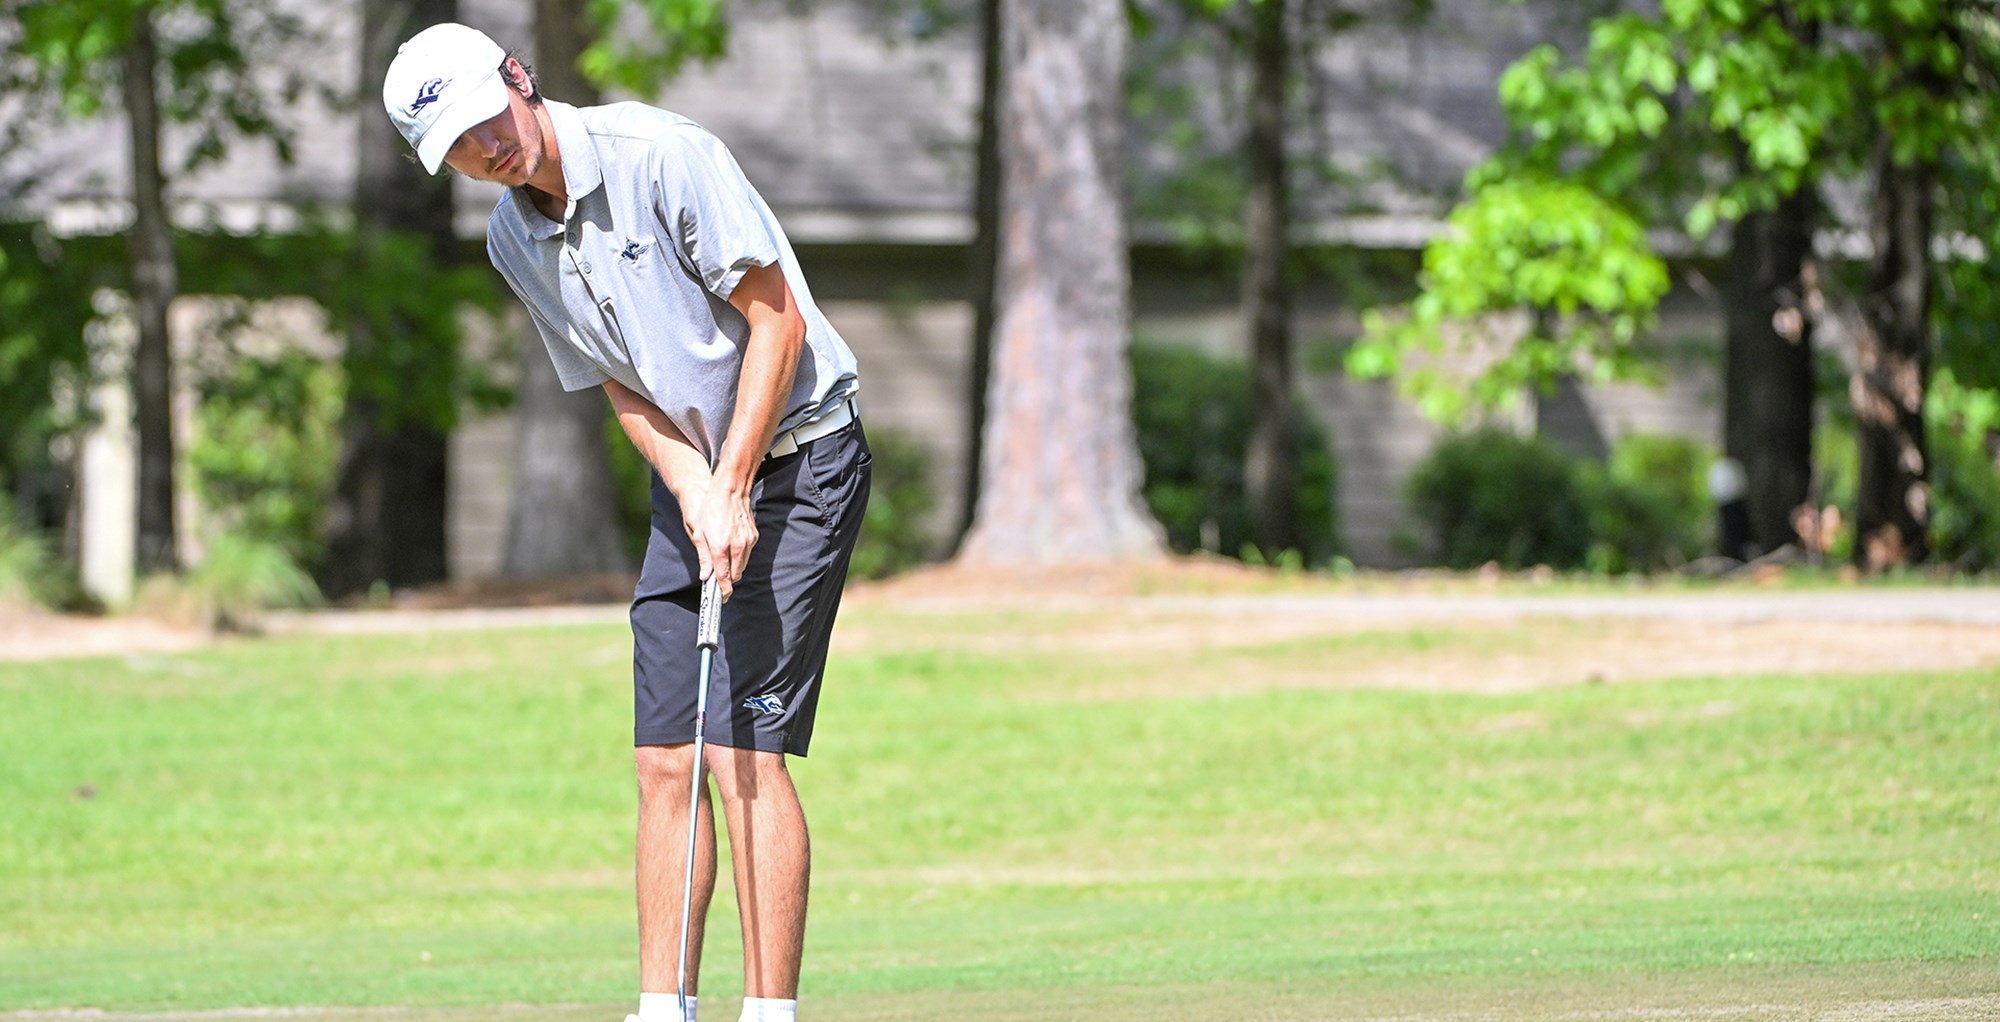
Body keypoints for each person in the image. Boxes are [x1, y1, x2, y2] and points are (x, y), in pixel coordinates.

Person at [381, 23, 870, 1022]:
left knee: (742, 749)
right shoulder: (512, 236)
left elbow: (775, 318)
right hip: (696, 473)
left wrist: (731, 481)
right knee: (664, 755)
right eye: (461, 147)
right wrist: (694, 485)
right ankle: (662, 1008)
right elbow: (617, 375)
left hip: (802, 452)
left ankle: (767, 1011)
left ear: (519, 77)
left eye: (488, 119)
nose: (488, 149)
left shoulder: (664, 155)